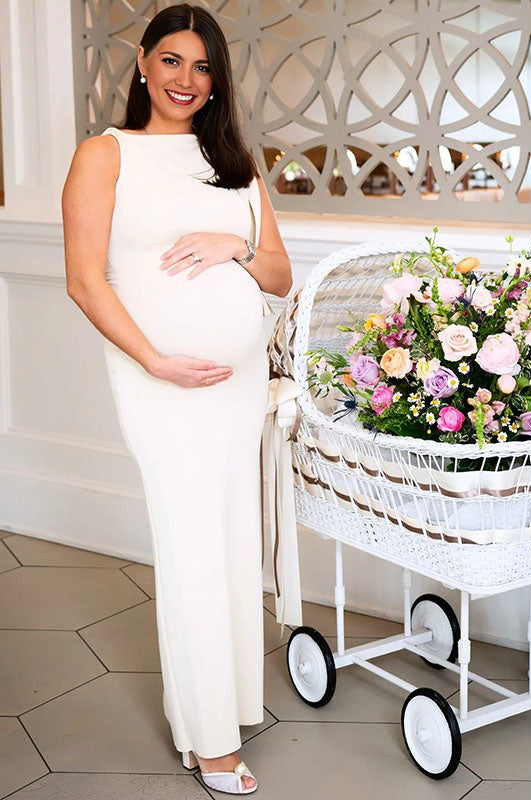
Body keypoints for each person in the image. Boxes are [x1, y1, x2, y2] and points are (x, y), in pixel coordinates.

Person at [62, 3, 292, 795]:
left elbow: (278, 275)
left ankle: (216, 715)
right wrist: (156, 359)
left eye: (202, 66)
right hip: (160, 385)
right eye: (171, 61)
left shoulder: (233, 163)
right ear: (141, 64)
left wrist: (237, 244)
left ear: (216, 79)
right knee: (193, 546)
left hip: (237, 390)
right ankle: (211, 740)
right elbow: (84, 282)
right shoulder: (106, 154)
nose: (186, 80)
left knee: (227, 544)